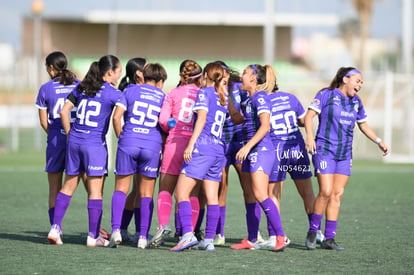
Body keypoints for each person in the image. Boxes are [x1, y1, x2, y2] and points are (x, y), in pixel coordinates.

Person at [304, 67, 389, 251]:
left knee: (337, 194)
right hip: (324, 149)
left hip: (344, 154)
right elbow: (309, 116)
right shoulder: (326, 95)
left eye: (362, 83)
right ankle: (312, 232)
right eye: (357, 80)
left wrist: (378, 141)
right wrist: (309, 137)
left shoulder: (356, 102)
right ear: (345, 79)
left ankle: (329, 239)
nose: (360, 85)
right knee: (325, 191)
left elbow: (363, 125)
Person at [47, 55, 123, 247]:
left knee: (68, 186)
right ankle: (92, 236)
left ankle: (55, 229)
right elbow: (120, 116)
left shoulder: (82, 87)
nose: (120, 74)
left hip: (74, 141)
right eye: (118, 71)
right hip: (94, 144)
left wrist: (69, 133)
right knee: (95, 191)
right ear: (109, 73)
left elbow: (64, 112)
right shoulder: (114, 93)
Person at [259, 65, 319, 248]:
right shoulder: (290, 98)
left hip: (278, 152)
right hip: (297, 149)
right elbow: (302, 120)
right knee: (308, 193)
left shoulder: (262, 101)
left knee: (273, 194)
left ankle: (275, 236)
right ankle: (317, 232)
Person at [170, 62, 228, 252]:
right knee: (212, 197)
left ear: (206, 75)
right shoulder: (224, 97)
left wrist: (191, 144)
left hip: (203, 147)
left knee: (181, 192)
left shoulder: (204, 92)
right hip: (218, 150)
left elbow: (201, 119)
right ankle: (209, 240)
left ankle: (187, 235)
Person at [230, 64, 288, 252]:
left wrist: (246, 147)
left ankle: (280, 236)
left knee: (261, 194)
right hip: (252, 151)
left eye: (245, 73)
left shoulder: (261, 97)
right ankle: (252, 239)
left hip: (260, 151)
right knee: (250, 195)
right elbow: (239, 120)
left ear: (254, 78)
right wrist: (225, 99)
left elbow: (265, 126)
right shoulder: (248, 99)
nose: (241, 76)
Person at [110, 63, 167, 249]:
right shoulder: (163, 96)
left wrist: (122, 137)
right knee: (146, 193)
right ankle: (143, 237)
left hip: (129, 142)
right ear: (159, 81)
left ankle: (116, 231)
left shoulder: (130, 90)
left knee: (121, 188)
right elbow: (166, 122)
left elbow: (117, 117)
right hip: (151, 146)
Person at [150, 59, 203, 247]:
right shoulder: (203, 95)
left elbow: (164, 120)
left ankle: (164, 225)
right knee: (192, 193)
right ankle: (188, 233)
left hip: (175, 143)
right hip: (196, 145)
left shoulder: (172, 93)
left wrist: (171, 124)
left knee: (165, 189)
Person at [35, 51, 81, 226]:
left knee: (54, 188)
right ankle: (95, 230)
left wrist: (56, 134)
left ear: (51, 68)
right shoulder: (80, 85)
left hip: (55, 140)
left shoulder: (45, 88)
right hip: (78, 139)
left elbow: (43, 122)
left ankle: (56, 228)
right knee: (90, 186)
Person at [116, 57, 147, 243]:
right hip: (135, 145)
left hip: (137, 145)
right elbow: (116, 118)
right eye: (147, 66)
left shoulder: (140, 89)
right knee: (133, 189)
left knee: (136, 190)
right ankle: (124, 229)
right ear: (138, 73)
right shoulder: (130, 90)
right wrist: (122, 138)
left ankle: (125, 229)